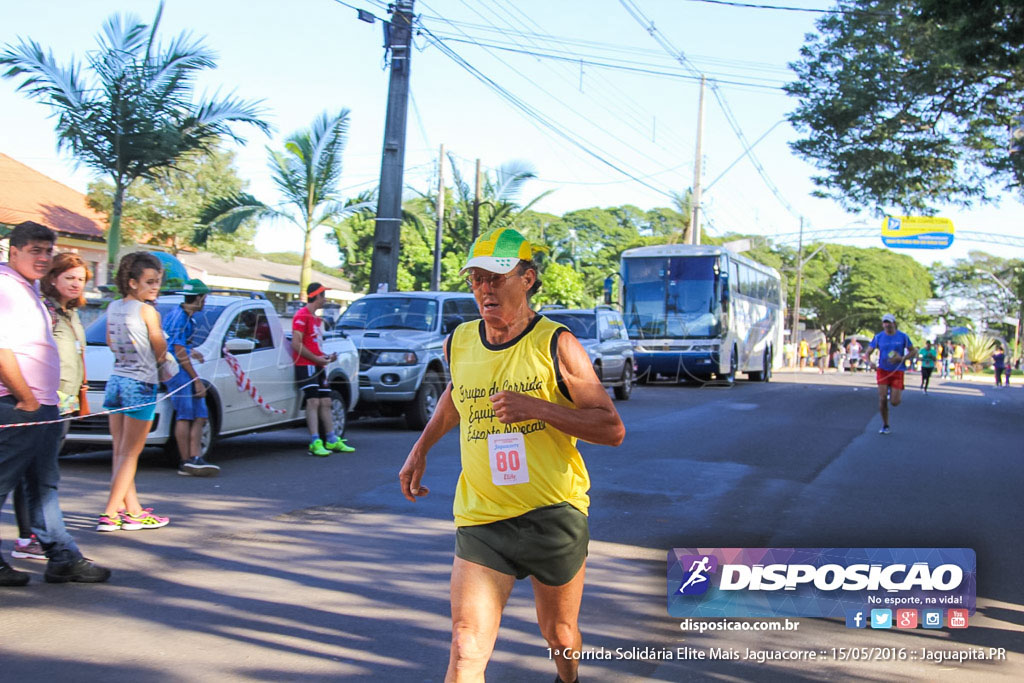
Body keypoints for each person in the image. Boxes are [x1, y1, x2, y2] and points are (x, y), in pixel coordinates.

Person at [399, 227, 625, 683]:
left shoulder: (557, 344)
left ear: (527, 278)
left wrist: (537, 408)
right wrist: (421, 447)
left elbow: (611, 428)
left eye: (496, 277)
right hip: (483, 517)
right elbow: (457, 394)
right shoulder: (459, 341)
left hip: (553, 513)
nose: (484, 288)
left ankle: (569, 678)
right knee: (466, 647)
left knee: (559, 634)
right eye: (476, 279)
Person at [0, 221, 110, 586]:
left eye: (48, 251)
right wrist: (27, 399)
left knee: (42, 484)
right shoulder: (6, 287)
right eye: (35, 250)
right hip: (19, 405)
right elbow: (2, 351)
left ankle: (62, 557)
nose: (44, 258)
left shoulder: (27, 287)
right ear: (13, 251)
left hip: (44, 405)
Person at [8, 253, 94, 562]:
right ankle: (27, 536)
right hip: (40, 399)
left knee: (43, 473)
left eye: (81, 279)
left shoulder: (71, 313)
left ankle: (46, 541)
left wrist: (80, 395)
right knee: (25, 472)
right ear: (53, 278)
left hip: (64, 401)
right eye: (69, 277)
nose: (75, 284)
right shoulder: (45, 310)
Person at [98, 251, 171, 532]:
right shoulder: (147, 310)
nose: (155, 287)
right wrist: (162, 358)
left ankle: (134, 510)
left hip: (116, 379)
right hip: (140, 382)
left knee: (121, 451)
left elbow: (109, 340)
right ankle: (109, 512)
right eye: (150, 282)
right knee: (130, 454)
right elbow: (158, 344)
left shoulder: (114, 307)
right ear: (131, 282)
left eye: (157, 282)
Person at [162, 278, 220, 476]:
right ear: (200, 298)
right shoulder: (180, 317)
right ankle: (185, 460)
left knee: (200, 414)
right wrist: (196, 380)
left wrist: (191, 350)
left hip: (181, 368)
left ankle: (196, 457)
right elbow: (177, 351)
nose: (205, 302)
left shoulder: (184, 315)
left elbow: (178, 344)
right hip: (178, 372)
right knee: (185, 415)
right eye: (204, 298)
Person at [292, 282, 353, 456]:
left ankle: (332, 439)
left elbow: (314, 344)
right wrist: (316, 358)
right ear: (316, 296)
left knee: (326, 401)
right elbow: (296, 344)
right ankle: (315, 440)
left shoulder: (317, 319)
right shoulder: (301, 316)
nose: (325, 300)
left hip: (318, 364)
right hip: (306, 365)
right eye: (323, 296)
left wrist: (326, 357)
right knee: (313, 401)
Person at [866, 313, 916, 435]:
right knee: (882, 398)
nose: (886, 325)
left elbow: (914, 351)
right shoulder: (878, 337)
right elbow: (867, 353)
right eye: (884, 322)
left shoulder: (903, 337)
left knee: (895, 402)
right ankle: (885, 424)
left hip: (897, 370)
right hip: (883, 370)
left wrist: (902, 358)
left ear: (894, 323)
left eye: (888, 322)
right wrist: (870, 363)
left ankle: (894, 393)